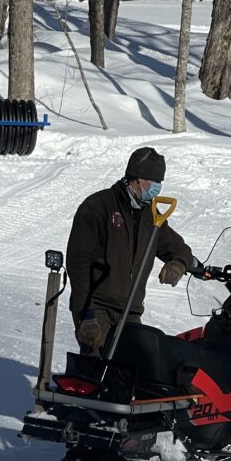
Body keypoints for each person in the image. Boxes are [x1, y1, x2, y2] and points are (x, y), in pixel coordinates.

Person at [66, 146, 195, 356]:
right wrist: (86, 314)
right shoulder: (98, 207)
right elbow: (78, 263)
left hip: (130, 311)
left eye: (160, 182)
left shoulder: (151, 215)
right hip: (96, 306)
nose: (157, 188)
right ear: (137, 179)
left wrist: (178, 263)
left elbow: (179, 248)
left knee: (133, 367)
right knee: (96, 365)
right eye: (153, 182)